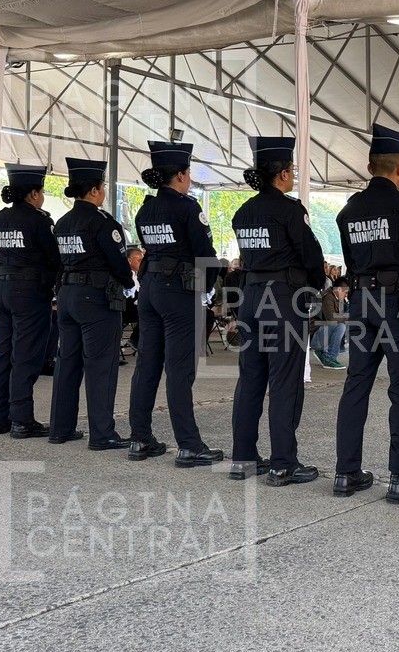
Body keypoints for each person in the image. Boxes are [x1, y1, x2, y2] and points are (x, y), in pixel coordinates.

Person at [333, 123, 399, 500]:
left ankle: (346, 472)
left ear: (370, 166)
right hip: (397, 301)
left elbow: (348, 260)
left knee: (356, 384)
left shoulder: (350, 210)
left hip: (361, 301)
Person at [229, 136, 327, 485]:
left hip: (251, 298)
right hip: (282, 300)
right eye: (292, 171)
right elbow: (310, 255)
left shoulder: (243, 213)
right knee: (284, 382)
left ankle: (242, 458)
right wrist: (317, 285)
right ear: (283, 174)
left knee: (250, 379)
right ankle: (283, 463)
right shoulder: (289, 210)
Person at [127, 141, 223, 467]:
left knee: (147, 366)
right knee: (180, 370)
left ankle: (140, 438)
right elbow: (206, 257)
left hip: (150, 287)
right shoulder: (187, 209)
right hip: (180, 291)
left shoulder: (145, 209)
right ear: (180, 175)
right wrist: (207, 291)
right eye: (189, 173)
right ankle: (189, 444)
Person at [48, 159, 137, 449]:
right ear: (96, 190)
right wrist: (129, 283)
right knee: (101, 366)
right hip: (96, 299)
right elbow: (118, 262)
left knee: (67, 364)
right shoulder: (102, 222)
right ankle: (102, 433)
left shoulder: (62, 222)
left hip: (68, 295)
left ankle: (60, 428)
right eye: (102, 186)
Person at [0, 164, 62, 438]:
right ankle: (21, 419)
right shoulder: (39, 221)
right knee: (26, 356)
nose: (42, 197)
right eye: (41, 192)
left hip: (0, 290)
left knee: (3, 353)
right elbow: (55, 258)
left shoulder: (0, 219)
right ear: (33, 194)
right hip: (28, 292)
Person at [311, 278, 348, 369]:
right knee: (341, 326)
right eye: (345, 292)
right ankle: (329, 358)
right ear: (339, 290)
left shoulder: (338, 298)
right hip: (315, 336)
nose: (346, 295)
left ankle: (322, 352)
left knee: (346, 325)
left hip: (322, 334)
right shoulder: (327, 297)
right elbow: (331, 318)